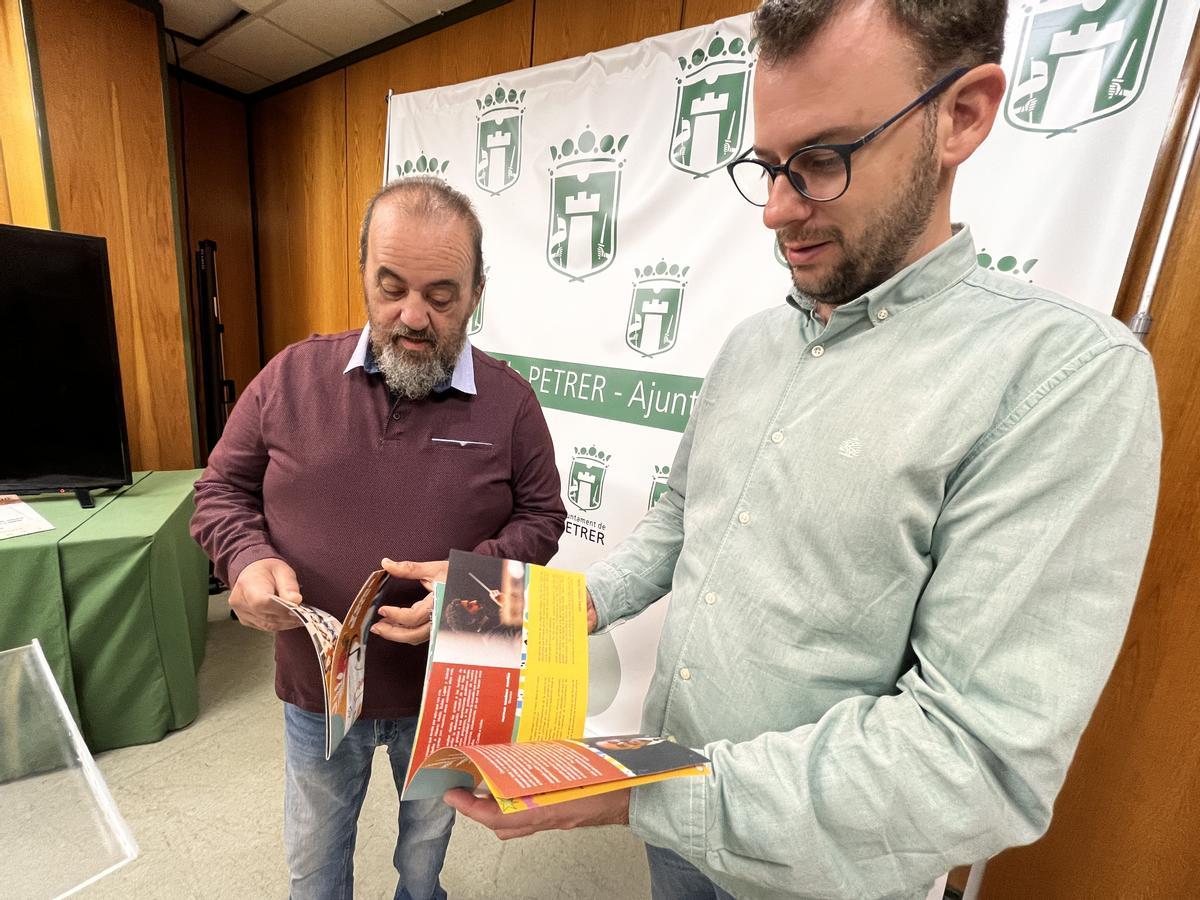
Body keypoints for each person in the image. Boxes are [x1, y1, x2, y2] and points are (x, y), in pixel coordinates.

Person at [439, 2, 1162, 898]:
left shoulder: (1062, 379)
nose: (777, 209)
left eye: (822, 161)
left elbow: (976, 757)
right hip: (675, 820)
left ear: (963, 115)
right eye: (768, 166)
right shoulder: (750, 346)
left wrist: (640, 798)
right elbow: (678, 520)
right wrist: (520, 616)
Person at [190, 176, 566, 900]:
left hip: (455, 681)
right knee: (313, 858)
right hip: (318, 684)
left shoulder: (512, 404)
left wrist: (473, 583)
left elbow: (544, 520)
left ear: (479, 288)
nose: (412, 316)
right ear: (362, 269)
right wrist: (246, 556)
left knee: (425, 857)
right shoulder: (290, 378)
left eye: (442, 294)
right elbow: (219, 491)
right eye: (390, 287)